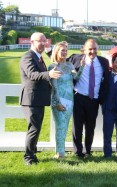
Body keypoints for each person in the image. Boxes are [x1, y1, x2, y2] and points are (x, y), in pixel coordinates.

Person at [19, 32, 61, 165]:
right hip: (31, 99)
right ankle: (28, 157)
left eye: (45, 41)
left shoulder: (39, 57)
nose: (43, 43)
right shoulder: (28, 57)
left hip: (38, 99)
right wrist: (49, 74)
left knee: (36, 128)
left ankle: (32, 152)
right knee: (34, 129)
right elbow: (32, 75)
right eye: (40, 41)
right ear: (32, 42)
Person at [68, 39, 110, 158]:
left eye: (95, 49)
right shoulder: (75, 59)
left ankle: (87, 150)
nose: (92, 51)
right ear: (84, 49)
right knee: (77, 127)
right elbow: (59, 61)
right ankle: (78, 151)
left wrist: (102, 97)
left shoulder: (104, 62)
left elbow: (106, 81)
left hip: (94, 100)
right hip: (78, 97)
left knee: (90, 127)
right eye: (90, 49)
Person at [48, 42, 84, 159]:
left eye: (66, 50)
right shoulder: (53, 67)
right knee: (60, 126)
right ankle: (60, 153)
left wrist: (82, 67)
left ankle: (60, 150)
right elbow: (54, 87)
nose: (64, 52)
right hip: (58, 100)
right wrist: (57, 103)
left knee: (65, 126)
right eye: (62, 50)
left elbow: (76, 78)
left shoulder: (69, 65)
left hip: (70, 100)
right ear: (56, 52)